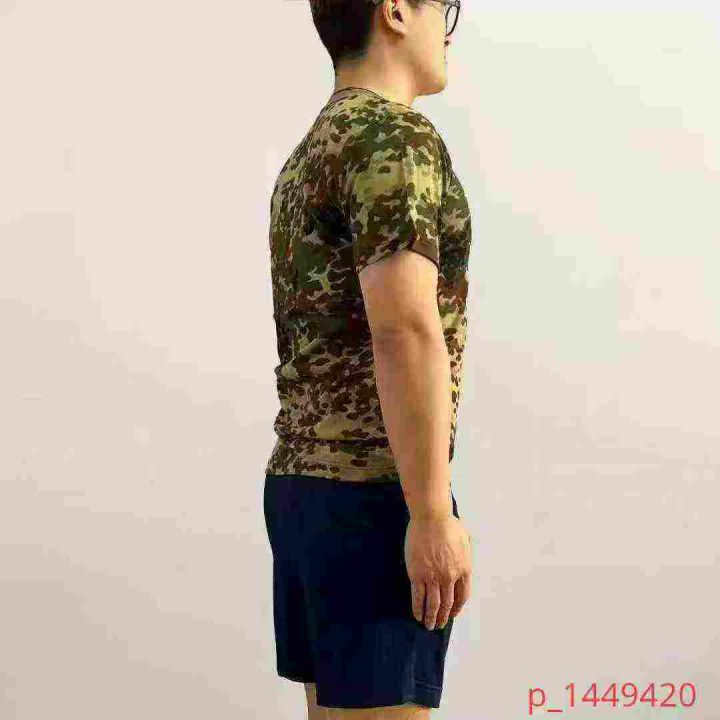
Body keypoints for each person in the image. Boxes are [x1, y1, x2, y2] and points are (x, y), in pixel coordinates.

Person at [263, 0, 473, 716]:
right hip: (372, 496)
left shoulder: (312, 150)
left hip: (305, 486)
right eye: (443, 7)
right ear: (395, 11)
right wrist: (431, 513)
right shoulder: (393, 137)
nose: (448, 30)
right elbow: (405, 328)